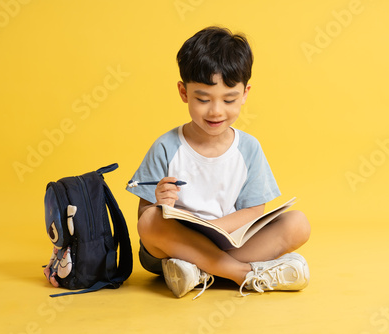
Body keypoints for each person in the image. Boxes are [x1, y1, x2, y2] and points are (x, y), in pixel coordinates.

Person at [127, 26, 311, 299]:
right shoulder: (166, 146)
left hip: (229, 243)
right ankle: (244, 274)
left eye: (229, 99)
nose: (216, 111)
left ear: (245, 93)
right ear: (183, 92)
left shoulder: (248, 147)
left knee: (298, 223)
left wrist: (217, 230)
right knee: (151, 220)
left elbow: (255, 209)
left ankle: (200, 272)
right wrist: (159, 201)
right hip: (172, 247)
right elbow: (145, 218)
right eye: (203, 99)